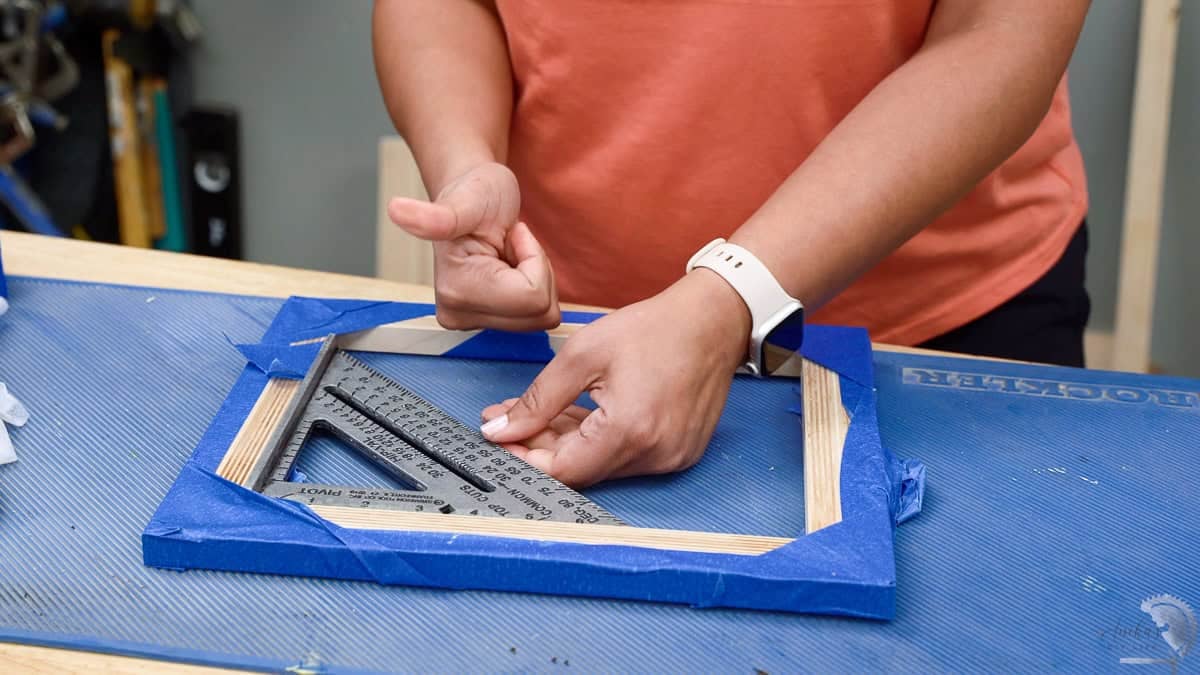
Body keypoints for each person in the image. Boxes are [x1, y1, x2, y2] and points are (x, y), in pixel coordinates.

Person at [371, 1, 1093, 488]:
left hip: (935, 324)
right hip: (571, 329)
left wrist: (734, 296)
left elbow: (999, 34)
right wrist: (465, 163)